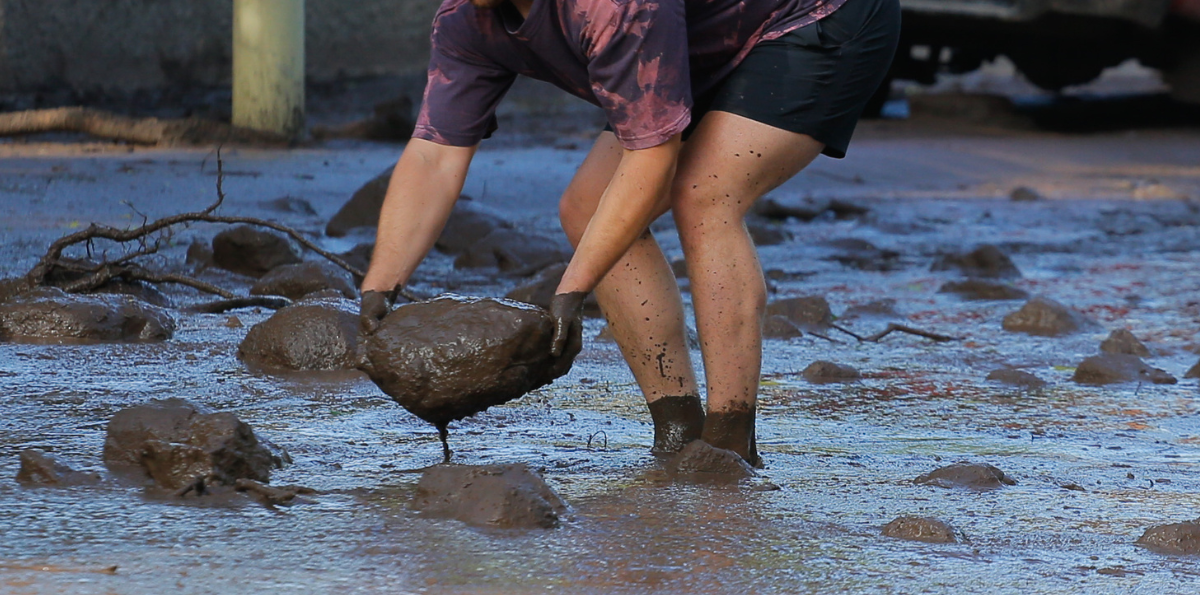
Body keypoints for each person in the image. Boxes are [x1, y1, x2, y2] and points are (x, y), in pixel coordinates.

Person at [359, 0, 900, 466]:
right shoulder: (465, 19)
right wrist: (379, 284)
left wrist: (573, 288)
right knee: (585, 207)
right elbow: (433, 157)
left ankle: (731, 445)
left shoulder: (611, 6)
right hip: (697, 44)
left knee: (704, 195)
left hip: (811, 16)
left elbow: (650, 162)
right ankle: (677, 432)